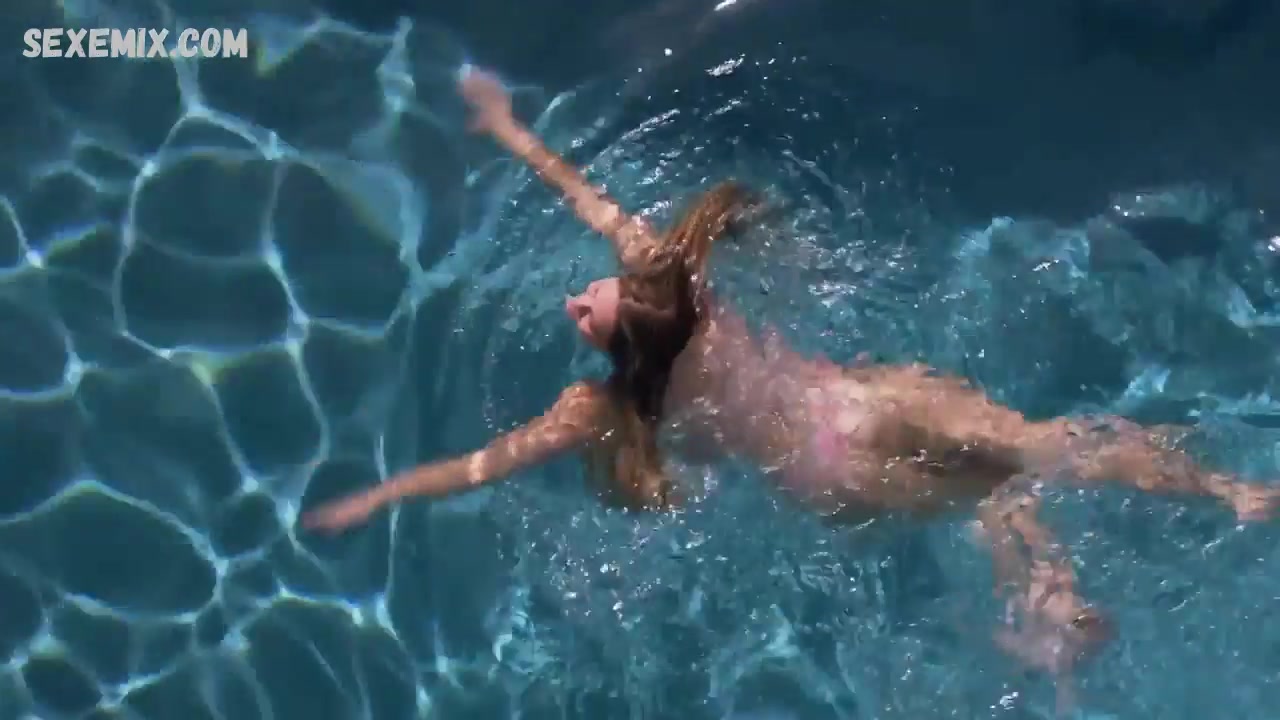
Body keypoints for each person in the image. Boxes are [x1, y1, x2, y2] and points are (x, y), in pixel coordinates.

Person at [303, 66, 1277, 685]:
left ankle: (1054, 623)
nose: (573, 306)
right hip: (863, 403)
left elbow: (484, 464)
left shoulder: (606, 405)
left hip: (826, 478)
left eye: (585, 311)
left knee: (989, 498)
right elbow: (588, 200)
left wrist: (379, 496)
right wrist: (509, 127)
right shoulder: (678, 283)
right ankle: (1231, 493)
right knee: (1033, 450)